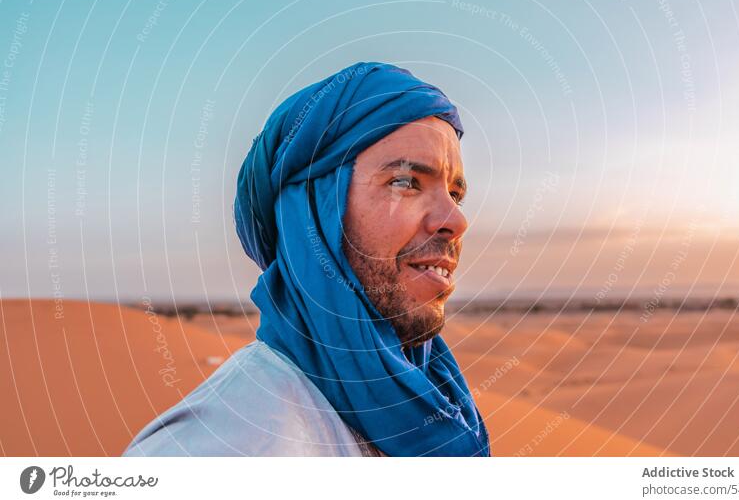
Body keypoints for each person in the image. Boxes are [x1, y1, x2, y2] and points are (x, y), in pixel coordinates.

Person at [123, 62, 490, 457]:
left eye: (455, 194)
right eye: (405, 182)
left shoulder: (434, 406)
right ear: (313, 215)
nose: (456, 220)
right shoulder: (228, 445)